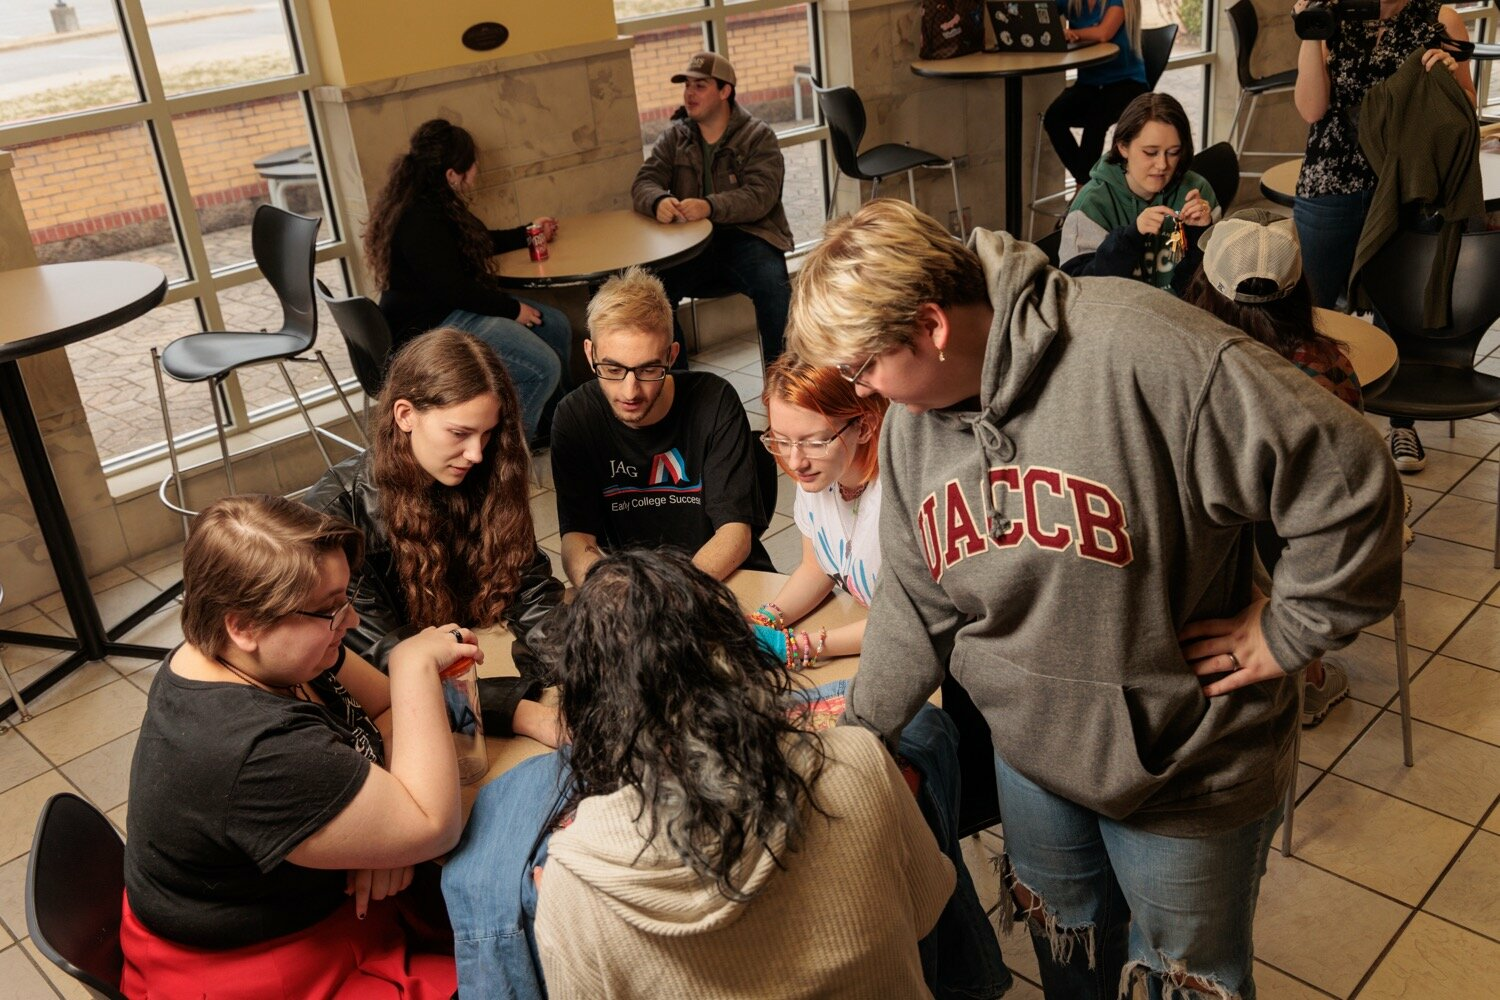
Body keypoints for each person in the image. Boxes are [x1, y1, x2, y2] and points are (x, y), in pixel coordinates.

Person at [787, 199, 1404, 999]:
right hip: (1034, 758)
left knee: (1189, 981)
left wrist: (1287, 629)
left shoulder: (1145, 349)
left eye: (865, 366)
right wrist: (862, 738)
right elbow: (913, 600)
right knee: (1070, 962)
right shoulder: (915, 423)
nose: (862, 391)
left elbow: (1349, 475)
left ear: (933, 326)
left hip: (1187, 765)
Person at [530, 547, 954, 998]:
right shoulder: (859, 759)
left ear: (589, 709)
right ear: (740, 657)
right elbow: (927, 908)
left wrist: (563, 899)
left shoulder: (573, 885)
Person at [122, 494, 474, 998]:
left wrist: (393, 829)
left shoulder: (258, 654)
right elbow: (436, 825)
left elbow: (385, 711)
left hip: (288, 912)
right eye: (330, 610)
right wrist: (411, 666)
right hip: (266, 965)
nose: (351, 622)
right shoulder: (254, 748)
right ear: (243, 625)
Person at [304, 328, 563, 745]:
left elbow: (531, 589)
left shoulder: (482, 470)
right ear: (405, 415)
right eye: (459, 434)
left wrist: (586, 671)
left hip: (467, 661)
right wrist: (519, 710)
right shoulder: (338, 518)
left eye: (487, 434)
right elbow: (387, 662)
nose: (477, 454)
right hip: (400, 702)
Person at [1184, 209, 1375, 728]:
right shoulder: (1325, 367)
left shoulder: (1185, 362)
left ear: (1206, 282)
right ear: (1297, 287)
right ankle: (1310, 681)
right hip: (1296, 564)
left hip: (1199, 568)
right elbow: (1344, 482)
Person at [1292, 0, 1475, 472]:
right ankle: (1320, 426)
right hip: (1329, 183)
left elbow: (1466, 115)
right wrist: (1312, 32)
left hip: (1406, 189)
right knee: (1313, 312)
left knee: (1400, 311)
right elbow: (1312, 109)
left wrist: (1450, 73)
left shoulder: (1441, 18)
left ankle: (1402, 425)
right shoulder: (1329, 12)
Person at [551, 266, 771, 586]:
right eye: (612, 369)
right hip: (630, 593)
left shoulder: (715, 400)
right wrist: (607, 592)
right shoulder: (574, 417)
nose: (630, 391)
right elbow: (577, 538)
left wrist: (671, 596)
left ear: (671, 356)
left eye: (648, 369)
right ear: (590, 353)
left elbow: (735, 533)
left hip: (720, 579)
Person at [363, 117, 572, 441]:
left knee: (554, 324)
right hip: (429, 328)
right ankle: (509, 453)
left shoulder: (434, 203)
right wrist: (512, 309)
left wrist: (528, 233)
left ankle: (557, 427)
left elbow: (475, 242)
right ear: (451, 175)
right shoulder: (420, 219)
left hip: (449, 310)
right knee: (543, 367)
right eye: (472, 164)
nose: (477, 171)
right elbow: (455, 289)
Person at [631, 51, 794, 369]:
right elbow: (644, 181)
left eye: (700, 86)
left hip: (749, 237)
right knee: (652, 291)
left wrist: (709, 206)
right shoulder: (676, 136)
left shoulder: (758, 136)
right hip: (691, 244)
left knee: (774, 288)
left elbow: (761, 196)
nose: (689, 94)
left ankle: (784, 390)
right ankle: (675, 393)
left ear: (725, 91)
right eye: (687, 86)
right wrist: (657, 201)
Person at [751, 356, 888, 663]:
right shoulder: (818, 475)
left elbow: (905, 623)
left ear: (864, 426)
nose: (796, 462)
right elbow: (818, 568)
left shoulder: (896, 497)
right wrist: (764, 619)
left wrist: (799, 647)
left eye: (814, 442)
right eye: (781, 440)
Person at [1059, 92, 1218, 294]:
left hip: (1181, 318)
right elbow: (1079, 293)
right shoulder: (1091, 205)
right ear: (1123, 147)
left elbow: (1212, 291)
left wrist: (1201, 236)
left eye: (1173, 152)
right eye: (1150, 152)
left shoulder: (1198, 192)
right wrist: (1129, 238)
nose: (1162, 165)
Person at [1043, 0, 1148, 188]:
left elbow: (1103, 33)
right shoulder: (1073, 3)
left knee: (1096, 120)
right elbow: (1040, 10)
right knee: (1053, 118)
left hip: (1127, 82)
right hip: (1090, 83)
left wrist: (1070, 34)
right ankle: (1089, 183)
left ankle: (1084, 187)